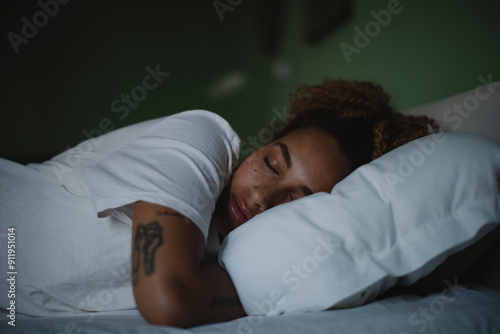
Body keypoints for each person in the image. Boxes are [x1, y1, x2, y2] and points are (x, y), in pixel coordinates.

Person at [0, 78, 442, 327]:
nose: (261, 198)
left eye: (296, 199)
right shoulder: (201, 140)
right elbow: (168, 301)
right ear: (261, 145)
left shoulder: (236, 255)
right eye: (271, 163)